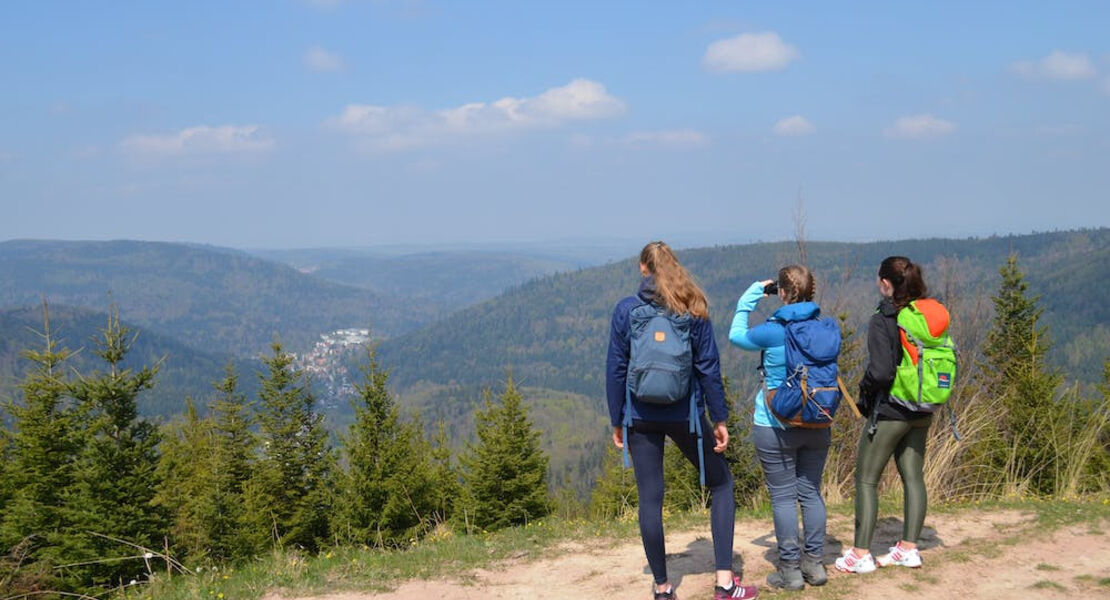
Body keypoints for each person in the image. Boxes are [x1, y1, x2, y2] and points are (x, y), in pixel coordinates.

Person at [607, 241, 758, 600]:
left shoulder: (626, 310)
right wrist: (719, 417)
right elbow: (708, 368)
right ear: (674, 268)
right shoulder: (693, 309)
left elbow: (616, 369)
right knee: (721, 484)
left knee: (650, 499)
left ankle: (662, 588)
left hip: (640, 416)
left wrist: (617, 419)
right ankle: (724, 583)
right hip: (684, 416)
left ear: (643, 268)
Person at [728, 265, 831, 590]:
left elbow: (735, 334)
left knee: (784, 498)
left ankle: (789, 571)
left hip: (774, 423)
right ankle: (814, 565)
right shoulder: (823, 328)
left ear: (782, 293)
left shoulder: (774, 330)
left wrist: (752, 293)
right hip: (817, 419)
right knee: (811, 493)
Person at [835, 256, 934, 574]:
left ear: (886, 283)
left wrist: (863, 393)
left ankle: (860, 553)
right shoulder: (925, 314)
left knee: (866, 479)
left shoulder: (884, 318)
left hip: (891, 410)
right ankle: (909, 549)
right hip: (923, 408)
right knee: (913, 477)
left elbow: (880, 372)